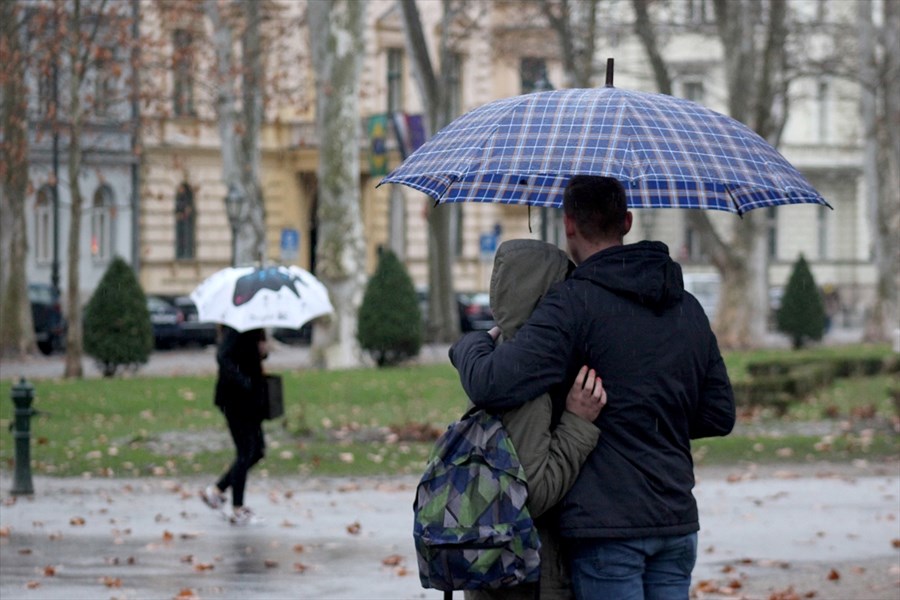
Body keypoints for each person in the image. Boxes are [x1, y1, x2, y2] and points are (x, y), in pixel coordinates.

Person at [450, 175, 736, 599]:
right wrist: (652, 413)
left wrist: (471, 343)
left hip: (606, 526)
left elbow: (492, 383)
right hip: (676, 520)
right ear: (627, 220)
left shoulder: (572, 304)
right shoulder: (687, 306)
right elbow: (719, 413)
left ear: (569, 224)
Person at [467, 239, 606, 600]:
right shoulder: (528, 377)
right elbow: (532, 495)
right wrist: (578, 422)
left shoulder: (497, 357)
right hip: (529, 576)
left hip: (498, 568)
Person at [200, 325, 268, 526]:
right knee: (246, 451)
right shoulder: (237, 328)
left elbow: (249, 357)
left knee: (258, 451)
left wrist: (263, 352)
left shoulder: (255, 327)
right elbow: (223, 357)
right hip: (235, 399)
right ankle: (237, 509)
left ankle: (217, 491)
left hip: (252, 400)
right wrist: (242, 380)